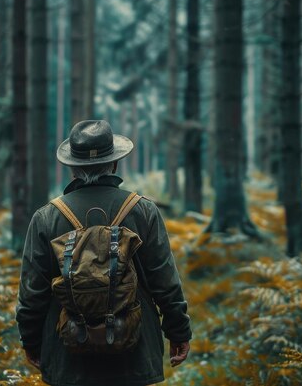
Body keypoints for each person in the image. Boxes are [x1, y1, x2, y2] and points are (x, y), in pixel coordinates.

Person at [16, 120, 192, 386]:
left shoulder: (47, 217)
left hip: (68, 354)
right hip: (134, 352)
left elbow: (32, 292)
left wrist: (30, 340)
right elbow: (164, 281)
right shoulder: (143, 211)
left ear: (73, 168)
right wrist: (178, 331)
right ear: (114, 163)